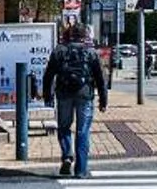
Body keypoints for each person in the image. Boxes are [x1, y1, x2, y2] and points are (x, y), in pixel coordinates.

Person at [40, 22, 110, 178]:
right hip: (84, 94)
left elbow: (49, 75)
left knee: (64, 127)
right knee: (82, 130)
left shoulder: (59, 51)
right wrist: (103, 101)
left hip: (63, 93)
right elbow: (100, 78)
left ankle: (66, 156)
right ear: (85, 35)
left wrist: (47, 96)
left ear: (71, 34)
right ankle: (81, 170)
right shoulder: (91, 52)